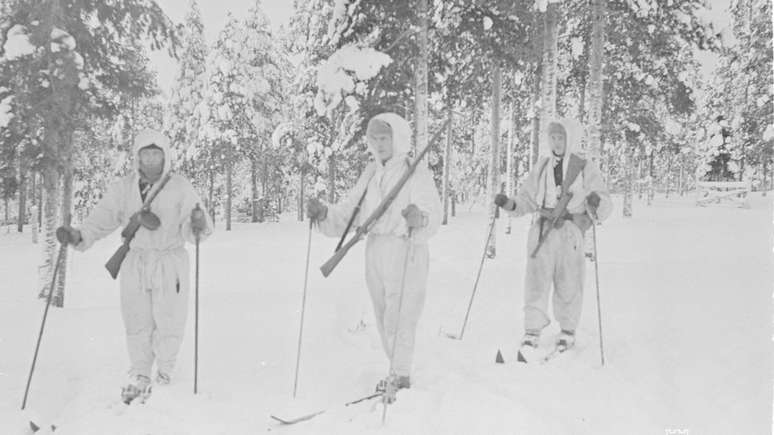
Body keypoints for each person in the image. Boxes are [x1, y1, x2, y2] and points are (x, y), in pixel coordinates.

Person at [56, 129, 212, 402]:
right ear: (137, 156)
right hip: (135, 261)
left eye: (156, 153)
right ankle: (140, 371)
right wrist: (80, 235)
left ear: (165, 156)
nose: (151, 159)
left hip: (169, 260)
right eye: (146, 153)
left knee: (169, 318)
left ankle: (165, 371)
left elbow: (195, 224)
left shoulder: (180, 186)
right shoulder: (123, 188)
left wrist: (197, 224)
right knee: (137, 319)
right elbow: (102, 218)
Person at [307, 113, 442, 391]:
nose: (379, 144)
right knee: (382, 316)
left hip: (405, 249)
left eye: (385, 138)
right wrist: (324, 214)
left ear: (398, 139)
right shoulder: (371, 173)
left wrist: (419, 218)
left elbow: (432, 214)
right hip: (375, 249)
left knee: (400, 314)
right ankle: (396, 368)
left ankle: (401, 374)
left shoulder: (415, 171)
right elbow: (349, 212)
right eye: (375, 138)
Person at [494, 118, 612, 359]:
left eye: (561, 137)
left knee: (569, 280)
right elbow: (527, 198)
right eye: (553, 137)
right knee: (536, 280)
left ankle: (567, 329)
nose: (556, 142)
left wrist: (595, 203)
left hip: (570, 231)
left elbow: (604, 201)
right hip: (543, 230)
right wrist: (510, 204)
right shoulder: (543, 166)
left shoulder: (584, 167)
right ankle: (532, 329)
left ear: (570, 139)